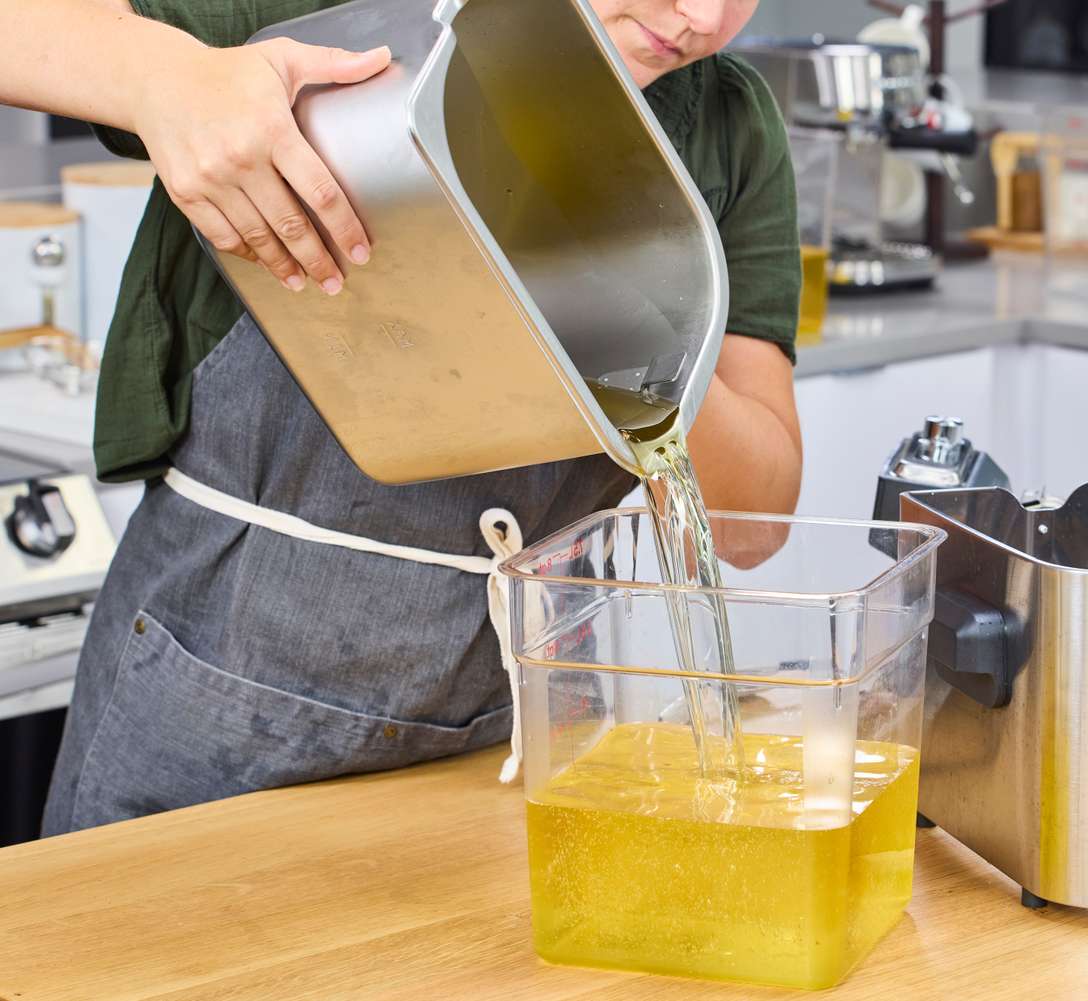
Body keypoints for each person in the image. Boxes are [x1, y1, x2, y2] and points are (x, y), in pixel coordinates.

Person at [1, 0, 802, 833]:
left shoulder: (729, 127)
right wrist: (160, 77)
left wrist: (637, 323)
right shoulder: (338, 17)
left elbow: (754, 522)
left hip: (522, 728)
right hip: (223, 695)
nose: (702, 15)